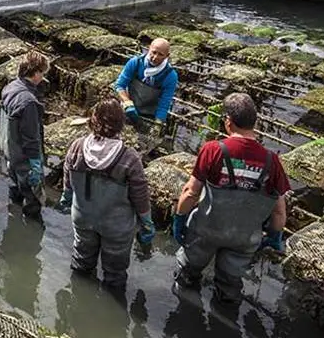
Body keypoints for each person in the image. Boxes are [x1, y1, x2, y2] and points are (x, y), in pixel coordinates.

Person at [172, 92, 290, 304]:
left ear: (228, 121)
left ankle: (183, 314)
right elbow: (279, 210)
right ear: (254, 123)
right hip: (244, 238)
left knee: (187, 276)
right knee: (229, 286)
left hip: (206, 231)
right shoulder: (273, 162)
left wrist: (179, 219)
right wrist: (275, 236)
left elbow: (191, 192)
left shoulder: (213, 150)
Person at [57, 98, 154, 290]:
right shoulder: (129, 157)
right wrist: (146, 223)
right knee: (115, 271)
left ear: (93, 121)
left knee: (81, 261)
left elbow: (67, 182)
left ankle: (77, 299)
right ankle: (111, 308)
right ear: (121, 125)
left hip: (82, 217)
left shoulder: (77, 147)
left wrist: (66, 198)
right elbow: (140, 196)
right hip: (116, 226)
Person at [0, 50, 50, 218]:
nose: (43, 77)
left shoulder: (9, 87)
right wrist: (35, 164)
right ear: (35, 73)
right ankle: (33, 234)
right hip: (24, 158)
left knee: (15, 188)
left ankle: (13, 216)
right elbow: (31, 137)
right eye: (42, 73)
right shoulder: (28, 102)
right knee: (33, 198)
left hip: (9, 153)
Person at [114, 38, 178, 126]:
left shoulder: (170, 76)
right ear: (148, 49)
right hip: (129, 106)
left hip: (150, 113)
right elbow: (120, 85)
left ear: (167, 56)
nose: (155, 58)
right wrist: (127, 103)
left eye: (160, 55)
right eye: (154, 52)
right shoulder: (135, 63)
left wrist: (158, 123)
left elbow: (164, 103)